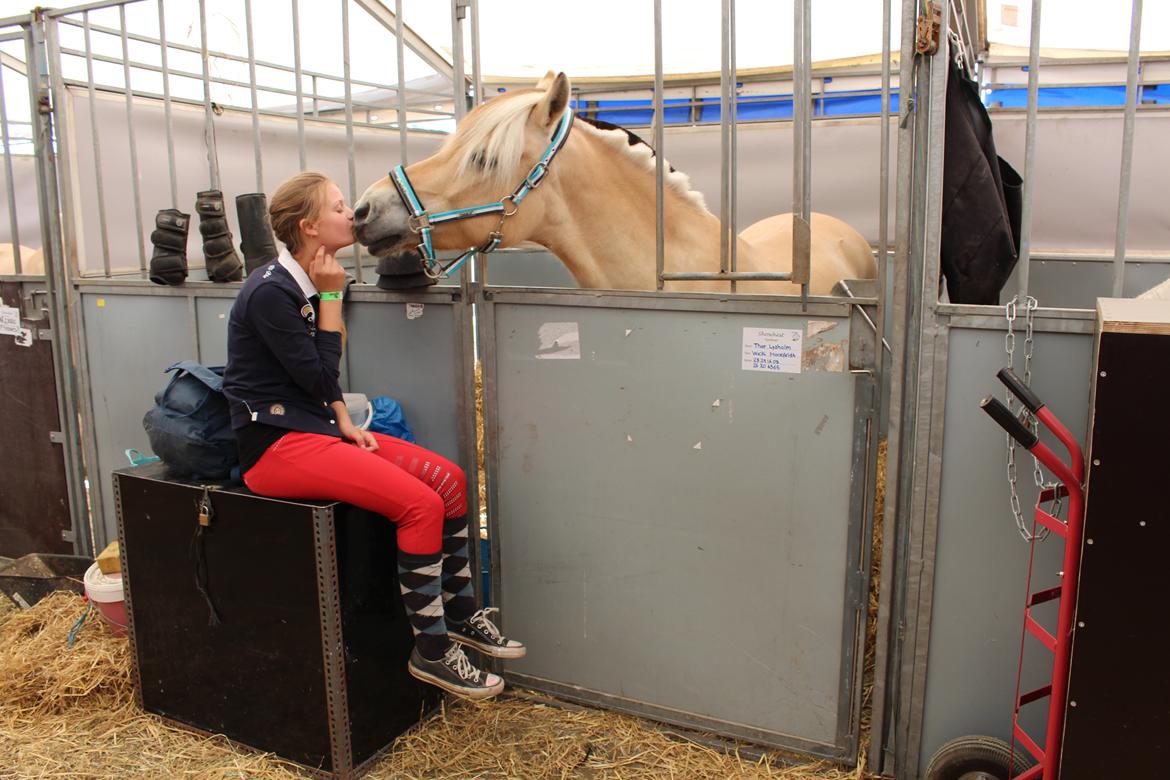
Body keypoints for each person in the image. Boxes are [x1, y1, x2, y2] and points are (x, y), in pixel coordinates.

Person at [222, 171, 523, 700]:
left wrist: (341, 417)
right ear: (309, 226)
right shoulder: (273, 290)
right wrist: (334, 301)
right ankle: (431, 651)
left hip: (314, 430)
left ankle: (460, 612)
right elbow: (316, 375)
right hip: (274, 447)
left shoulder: (302, 278)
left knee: (450, 482)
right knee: (420, 507)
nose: (350, 214)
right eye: (340, 207)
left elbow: (316, 385)